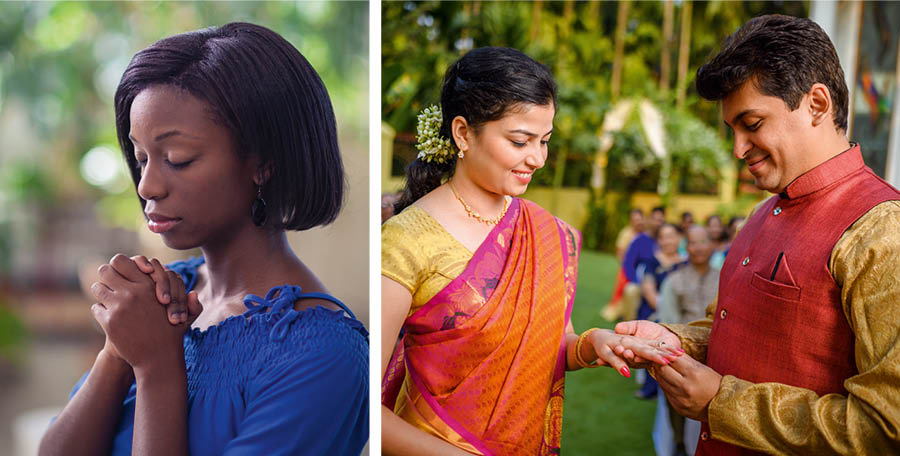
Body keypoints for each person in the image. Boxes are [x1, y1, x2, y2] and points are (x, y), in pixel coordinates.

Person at [39, 23, 368, 456]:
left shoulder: (322, 358)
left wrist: (157, 367)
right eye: (141, 158)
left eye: (178, 159)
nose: (146, 186)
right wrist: (117, 354)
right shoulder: (159, 297)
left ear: (263, 163)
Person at [615, 14, 900, 454]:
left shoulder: (882, 229)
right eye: (732, 130)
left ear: (817, 105)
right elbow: (735, 331)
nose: (737, 149)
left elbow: (884, 427)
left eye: (752, 124)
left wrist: (722, 402)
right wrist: (676, 341)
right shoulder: (761, 213)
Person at [381, 47, 679, 455]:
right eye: (520, 141)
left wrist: (593, 344)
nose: (537, 158)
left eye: (545, 141)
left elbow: (555, 344)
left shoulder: (543, 233)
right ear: (463, 133)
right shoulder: (406, 240)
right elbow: (362, 405)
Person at [655, 225, 720, 456]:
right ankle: (679, 443)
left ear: (711, 245)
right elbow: (669, 321)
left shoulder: (725, 278)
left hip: (718, 355)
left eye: (703, 242)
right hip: (682, 354)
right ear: (686, 247)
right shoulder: (674, 281)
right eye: (693, 243)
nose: (699, 248)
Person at [634, 223, 684, 400]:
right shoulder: (652, 262)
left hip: (681, 314)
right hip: (655, 312)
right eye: (664, 237)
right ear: (659, 240)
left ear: (679, 238)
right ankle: (651, 387)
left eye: (672, 236)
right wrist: (667, 313)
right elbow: (650, 292)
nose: (669, 241)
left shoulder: (685, 263)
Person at [611, 206, 666, 322]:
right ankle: (631, 323)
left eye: (661, 220)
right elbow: (628, 264)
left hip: (661, 284)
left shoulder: (665, 241)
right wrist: (637, 282)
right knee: (631, 290)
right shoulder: (640, 240)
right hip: (640, 282)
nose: (658, 223)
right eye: (655, 219)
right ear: (649, 220)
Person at [601, 209, 644, 321]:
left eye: (639, 219)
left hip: (640, 268)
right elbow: (620, 253)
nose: (638, 222)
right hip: (627, 267)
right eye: (635, 220)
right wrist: (627, 267)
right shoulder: (626, 233)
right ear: (631, 221)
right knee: (621, 290)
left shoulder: (644, 234)